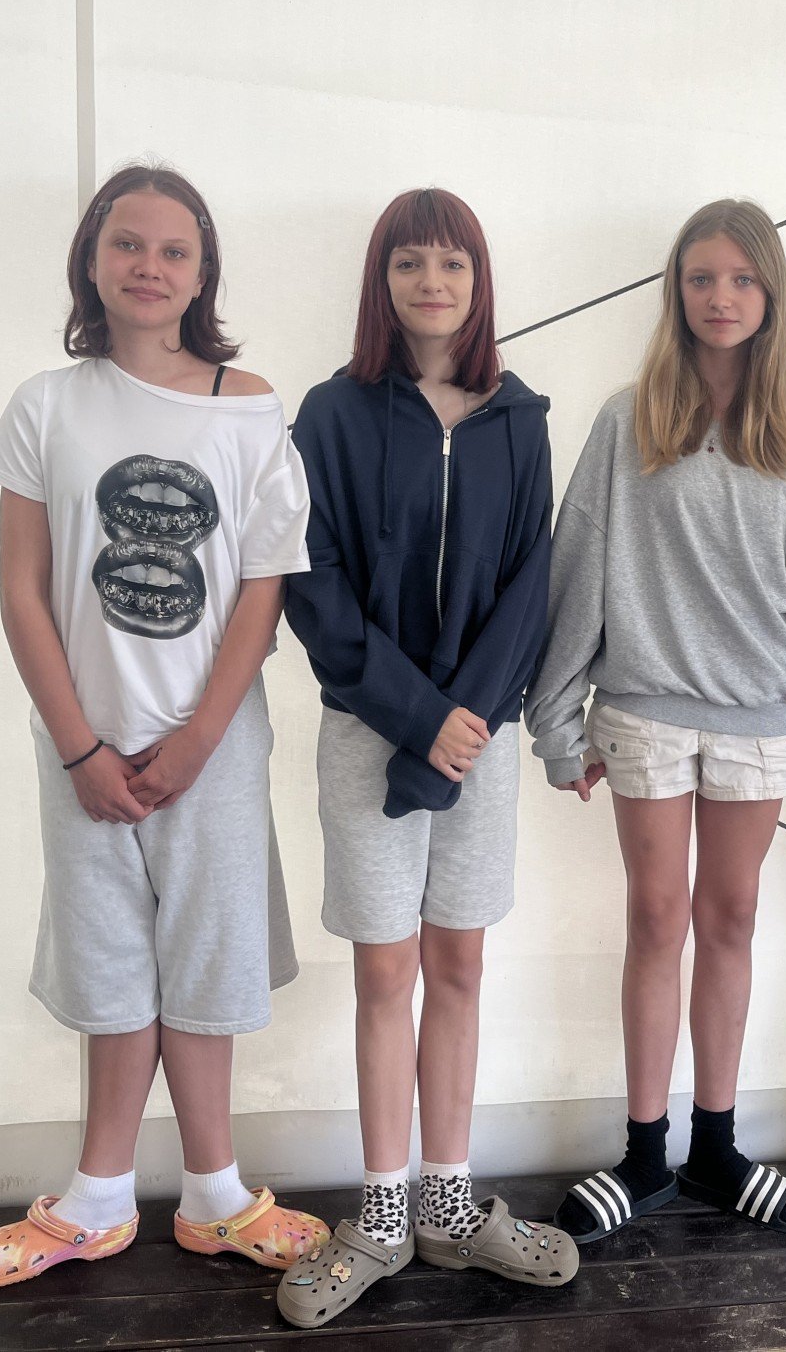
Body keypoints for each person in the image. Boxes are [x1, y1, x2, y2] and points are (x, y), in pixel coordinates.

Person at [0, 164, 325, 1288]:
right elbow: (22, 592)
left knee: (206, 956)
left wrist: (201, 737)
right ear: (92, 258)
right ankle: (99, 1197)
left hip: (211, 745)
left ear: (203, 272)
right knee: (109, 959)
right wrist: (79, 745)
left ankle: (216, 1197)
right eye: (128, 244)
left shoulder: (250, 406)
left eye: (174, 250)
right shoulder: (45, 405)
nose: (149, 267)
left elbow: (264, 585)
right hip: (83, 743)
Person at [527, 199, 786, 1243]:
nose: (721, 298)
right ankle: (643, 1154)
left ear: (770, 295)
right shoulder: (629, 419)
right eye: (701, 278)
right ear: (675, 291)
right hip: (643, 714)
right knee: (656, 920)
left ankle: (716, 1146)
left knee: (731, 920)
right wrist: (555, 721)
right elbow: (577, 566)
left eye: (741, 280)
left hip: (758, 722)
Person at [278, 187, 575, 1330]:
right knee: (384, 975)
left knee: (457, 968)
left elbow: (530, 582)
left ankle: (449, 1207)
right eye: (409, 263)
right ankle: (382, 1216)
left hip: (479, 740)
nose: (432, 283)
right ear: (382, 281)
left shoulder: (518, 417)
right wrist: (416, 714)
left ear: (479, 281)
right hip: (369, 734)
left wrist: (467, 716)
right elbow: (313, 583)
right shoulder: (331, 413)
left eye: (452, 263)